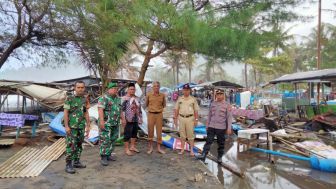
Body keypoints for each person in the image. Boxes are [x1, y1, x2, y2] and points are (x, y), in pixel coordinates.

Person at [195, 89, 233, 163]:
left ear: (223, 95)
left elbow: (229, 117)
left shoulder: (227, 105)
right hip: (211, 126)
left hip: (221, 127)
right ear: (216, 95)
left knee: (221, 143)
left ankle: (219, 157)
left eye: (221, 94)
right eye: (218, 94)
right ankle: (203, 155)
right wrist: (207, 125)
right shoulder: (213, 104)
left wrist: (229, 128)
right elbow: (209, 115)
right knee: (208, 141)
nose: (219, 96)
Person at [63, 81, 91, 174]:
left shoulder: (84, 99)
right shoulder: (69, 98)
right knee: (71, 146)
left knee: (79, 145)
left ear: (84, 88)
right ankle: (68, 165)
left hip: (81, 126)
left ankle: (76, 161)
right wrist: (66, 126)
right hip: (72, 127)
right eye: (78, 87)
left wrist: (88, 125)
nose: (80, 89)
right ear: (75, 88)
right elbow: (66, 113)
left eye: (82, 87)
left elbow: (85, 112)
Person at [98, 82, 122, 166]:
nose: (115, 90)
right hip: (106, 123)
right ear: (109, 89)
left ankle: (109, 154)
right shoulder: (104, 98)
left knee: (113, 139)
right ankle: (103, 157)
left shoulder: (118, 99)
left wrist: (123, 118)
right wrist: (101, 121)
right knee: (105, 140)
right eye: (113, 89)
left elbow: (120, 109)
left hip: (115, 122)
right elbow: (100, 110)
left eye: (116, 89)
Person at [174, 83, 199, 156]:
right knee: (182, 135)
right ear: (182, 90)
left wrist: (196, 119)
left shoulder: (193, 99)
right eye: (184, 90)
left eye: (187, 90)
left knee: (190, 135)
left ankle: (191, 150)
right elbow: (176, 109)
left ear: (190, 90)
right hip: (181, 118)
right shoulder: (180, 99)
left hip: (190, 118)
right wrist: (175, 118)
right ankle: (182, 149)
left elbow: (196, 110)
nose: (186, 91)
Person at [145, 81, 166, 154]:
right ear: (152, 87)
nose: (156, 87)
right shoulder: (148, 95)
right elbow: (146, 104)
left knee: (159, 131)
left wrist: (158, 109)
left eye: (157, 86)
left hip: (159, 115)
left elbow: (164, 105)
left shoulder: (162, 95)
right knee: (150, 130)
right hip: (151, 114)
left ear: (159, 87)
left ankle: (158, 148)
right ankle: (150, 147)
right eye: (154, 86)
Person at [121, 83, 142, 156]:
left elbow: (139, 109)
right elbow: (122, 110)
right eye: (131, 89)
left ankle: (132, 147)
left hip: (135, 119)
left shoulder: (137, 98)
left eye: (133, 89)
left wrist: (140, 118)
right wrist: (123, 119)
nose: (132, 90)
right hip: (128, 119)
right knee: (127, 135)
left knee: (134, 134)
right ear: (128, 90)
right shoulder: (124, 98)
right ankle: (126, 149)